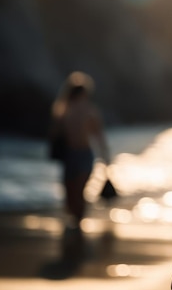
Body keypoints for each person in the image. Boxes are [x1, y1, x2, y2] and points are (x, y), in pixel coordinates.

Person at [49, 71, 110, 232]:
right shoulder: (64, 110)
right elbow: (98, 135)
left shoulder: (74, 110)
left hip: (82, 155)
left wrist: (105, 156)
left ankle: (78, 223)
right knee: (71, 192)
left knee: (77, 190)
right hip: (72, 155)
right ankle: (76, 222)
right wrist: (105, 156)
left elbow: (98, 134)